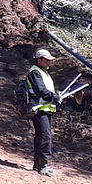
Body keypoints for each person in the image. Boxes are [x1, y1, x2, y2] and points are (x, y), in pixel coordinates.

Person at [24, 48, 62, 176]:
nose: (49, 62)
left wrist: (54, 96)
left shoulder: (43, 72)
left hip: (45, 109)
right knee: (45, 136)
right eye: (46, 60)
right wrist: (53, 97)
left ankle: (38, 164)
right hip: (39, 109)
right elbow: (40, 91)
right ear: (39, 60)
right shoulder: (35, 72)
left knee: (41, 136)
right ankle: (43, 165)